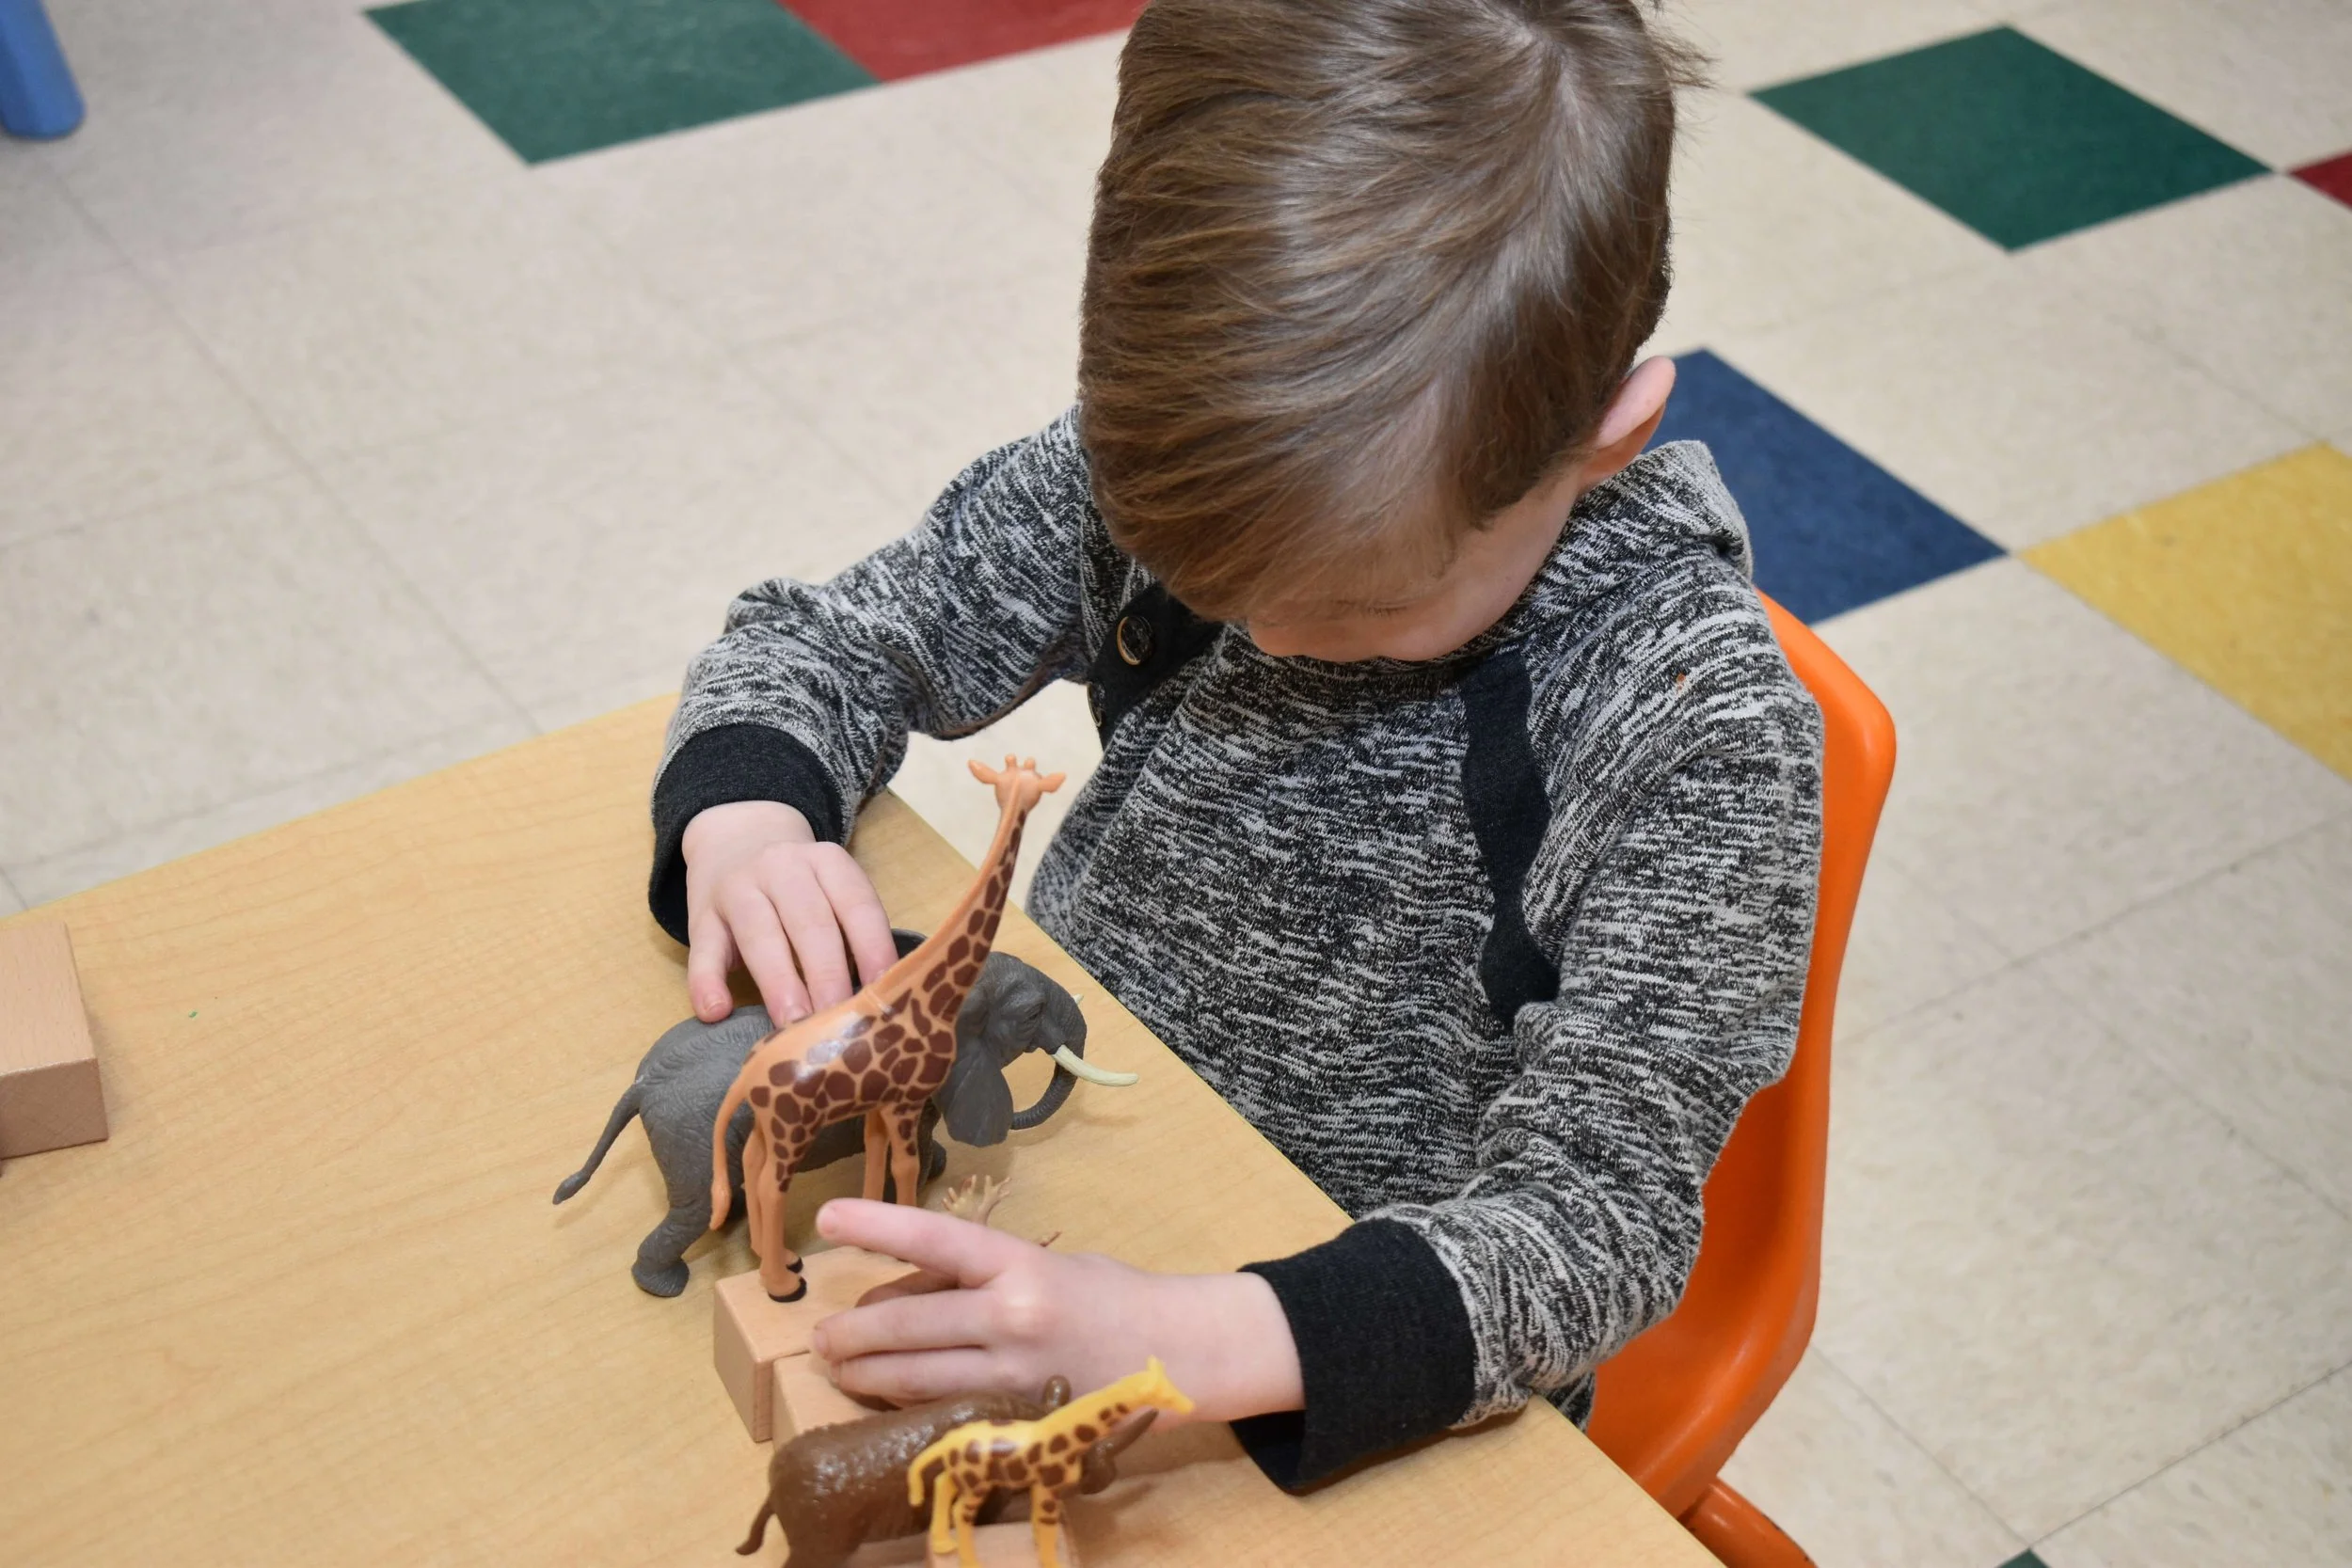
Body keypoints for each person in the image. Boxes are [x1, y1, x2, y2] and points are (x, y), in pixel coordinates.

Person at [646, 0, 1821, 1488]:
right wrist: (748, 817)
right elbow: (828, 636)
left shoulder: (1692, 733)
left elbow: (1595, 1221)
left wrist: (1192, 1339)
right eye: (1199, 567)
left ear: (1609, 432)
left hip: (1360, 1365)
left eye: (1353, 597)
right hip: (1065, 1168)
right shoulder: (1212, 463)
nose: (1254, 627)